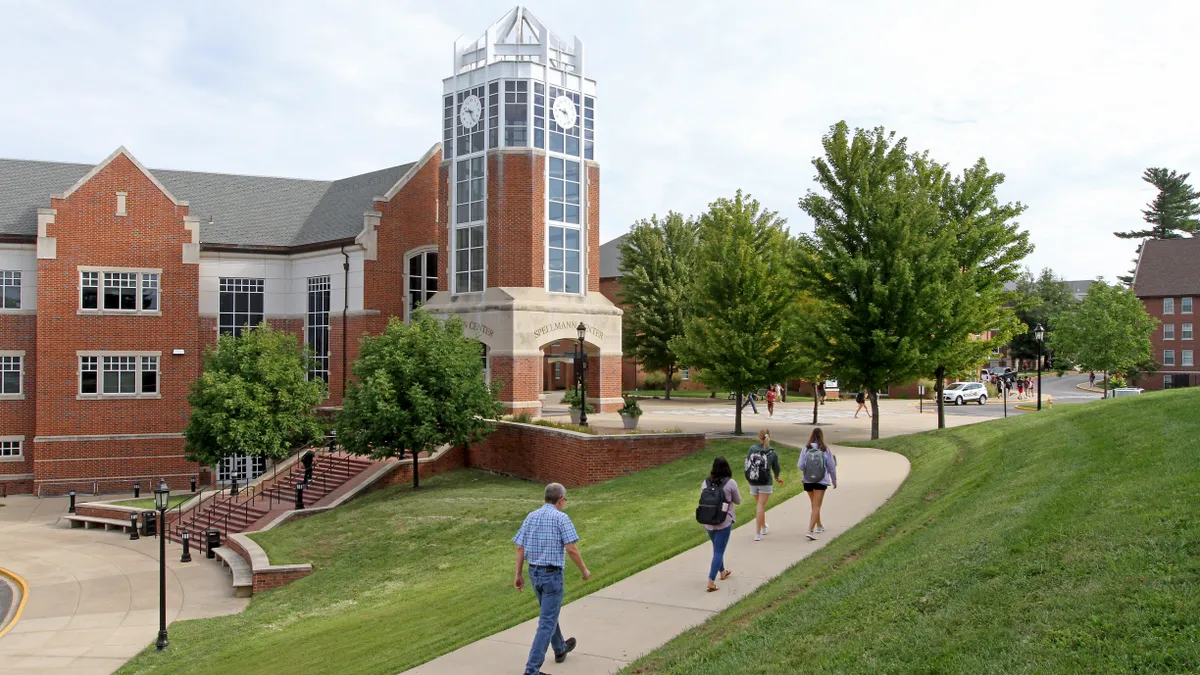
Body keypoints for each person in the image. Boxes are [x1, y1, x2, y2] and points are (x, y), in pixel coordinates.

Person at [513, 483, 591, 675]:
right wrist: (584, 570)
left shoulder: (531, 516)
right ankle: (531, 670)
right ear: (561, 500)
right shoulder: (561, 518)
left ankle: (560, 648)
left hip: (534, 574)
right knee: (546, 622)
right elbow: (571, 548)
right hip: (552, 576)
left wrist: (518, 574)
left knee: (548, 614)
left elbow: (520, 548)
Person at [701, 456, 741, 592]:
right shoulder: (731, 483)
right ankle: (711, 581)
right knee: (718, 551)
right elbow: (738, 501)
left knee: (717, 548)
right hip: (724, 522)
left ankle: (722, 571)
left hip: (708, 522)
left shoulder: (706, 483)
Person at [798, 428, 838, 540]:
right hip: (821, 481)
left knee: (814, 505)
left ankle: (819, 525)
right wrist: (834, 480)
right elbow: (832, 467)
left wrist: (809, 470)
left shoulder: (806, 448)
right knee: (816, 505)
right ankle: (810, 531)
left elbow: (800, 465)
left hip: (807, 481)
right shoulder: (825, 449)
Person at [744, 429, 783, 542]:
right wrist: (777, 477)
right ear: (769, 437)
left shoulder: (752, 449)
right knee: (760, 506)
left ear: (759, 437)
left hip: (753, 481)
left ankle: (764, 527)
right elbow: (776, 468)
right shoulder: (771, 452)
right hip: (765, 482)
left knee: (759, 506)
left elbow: (747, 463)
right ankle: (757, 533)